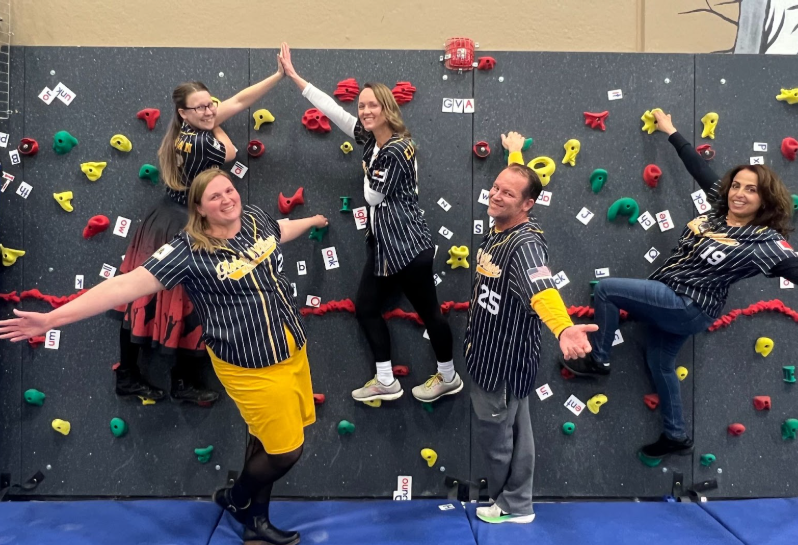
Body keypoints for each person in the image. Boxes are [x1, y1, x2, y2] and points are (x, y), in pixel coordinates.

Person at [1, 170, 326, 545]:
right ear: (199, 208)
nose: (226, 199)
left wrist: (314, 220)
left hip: (289, 345)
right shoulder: (187, 251)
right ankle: (237, 498)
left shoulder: (253, 218)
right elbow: (124, 285)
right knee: (286, 452)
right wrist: (52, 318)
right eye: (214, 197)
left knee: (265, 438)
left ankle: (256, 518)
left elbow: (280, 231)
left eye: (229, 190)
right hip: (248, 362)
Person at [563, 110, 798, 460]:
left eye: (751, 190)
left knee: (609, 289)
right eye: (737, 185)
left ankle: (599, 360)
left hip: (688, 304)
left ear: (765, 198)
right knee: (660, 363)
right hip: (675, 300)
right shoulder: (721, 208)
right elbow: (698, 168)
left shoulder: (765, 242)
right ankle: (676, 435)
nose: (740, 194)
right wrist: (671, 131)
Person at [278, 43, 459, 404]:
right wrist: (297, 79)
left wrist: (368, 162)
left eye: (372, 105)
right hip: (384, 248)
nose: (364, 111)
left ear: (387, 109)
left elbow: (374, 196)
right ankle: (386, 380)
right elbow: (333, 112)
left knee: (429, 313)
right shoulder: (372, 142)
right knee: (365, 307)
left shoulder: (396, 148)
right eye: (361, 106)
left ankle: (448, 376)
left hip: (408, 247)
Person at [115, 60, 287, 407]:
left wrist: (278, 75)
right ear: (183, 112)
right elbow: (232, 151)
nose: (210, 110)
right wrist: (217, 124)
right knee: (190, 301)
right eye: (202, 107)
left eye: (211, 104)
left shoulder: (180, 133)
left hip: (165, 217)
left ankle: (130, 374)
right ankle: (180, 379)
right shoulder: (201, 143)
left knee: (145, 299)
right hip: (185, 226)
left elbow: (237, 102)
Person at [468, 132, 597, 524]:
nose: (496, 195)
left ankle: (509, 505)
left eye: (508, 193)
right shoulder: (503, 225)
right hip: (499, 358)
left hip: (501, 364)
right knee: (519, 432)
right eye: (495, 188)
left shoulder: (523, 244)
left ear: (528, 204)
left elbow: (542, 290)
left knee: (498, 441)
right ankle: (519, 500)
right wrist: (514, 154)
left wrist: (563, 330)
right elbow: (514, 183)